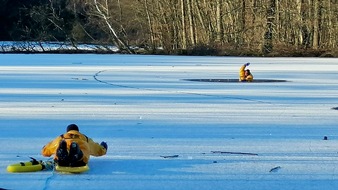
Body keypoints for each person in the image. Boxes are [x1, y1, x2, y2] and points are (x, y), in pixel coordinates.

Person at [41, 124, 107, 167]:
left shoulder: (61, 137)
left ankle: (61, 153)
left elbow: (47, 150)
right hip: (80, 162)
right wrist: (103, 147)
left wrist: (44, 149)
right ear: (78, 131)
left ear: (67, 131)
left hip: (61, 162)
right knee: (82, 150)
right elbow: (97, 149)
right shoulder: (85, 138)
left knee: (60, 146)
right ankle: (77, 154)